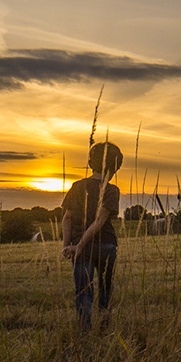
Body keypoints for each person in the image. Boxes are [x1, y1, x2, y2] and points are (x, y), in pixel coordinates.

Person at [61, 140, 123, 330]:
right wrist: (76, 246)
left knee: (83, 292)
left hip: (82, 249)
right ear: (116, 168)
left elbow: (67, 218)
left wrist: (69, 246)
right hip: (105, 246)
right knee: (105, 288)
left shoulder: (77, 187)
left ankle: (84, 331)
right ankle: (104, 327)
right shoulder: (112, 190)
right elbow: (100, 221)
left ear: (89, 164)